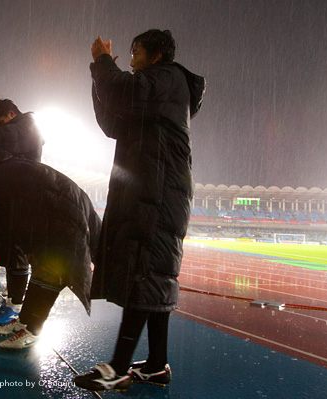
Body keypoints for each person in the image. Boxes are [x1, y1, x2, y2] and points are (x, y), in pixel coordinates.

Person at [74, 30, 205, 391]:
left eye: (136, 53)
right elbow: (113, 122)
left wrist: (102, 62)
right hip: (152, 192)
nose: (130, 61)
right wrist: (98, 76)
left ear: (156, 55)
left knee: (144, 276)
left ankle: (117, 367)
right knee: (153, 279)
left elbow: (123, 90)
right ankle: (157, 366)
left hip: (158, 195)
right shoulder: (152, 95)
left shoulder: (168, 77)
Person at [0, 152, 101, 349]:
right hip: (56, 208)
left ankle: (34, 330)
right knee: (41, 267)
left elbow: (19, 215)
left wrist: (29, 247)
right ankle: (24, 321)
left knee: (53, 270)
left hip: (64, 210)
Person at [0, 97, 44, 325]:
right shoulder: (20, 127)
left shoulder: (28, 125)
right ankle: (12, 304)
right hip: (14, 194)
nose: (0, 127)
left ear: (12, 113)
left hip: (23, 197)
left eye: (1, 121)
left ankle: (16, 307)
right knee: (12, 254)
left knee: (18, 253)